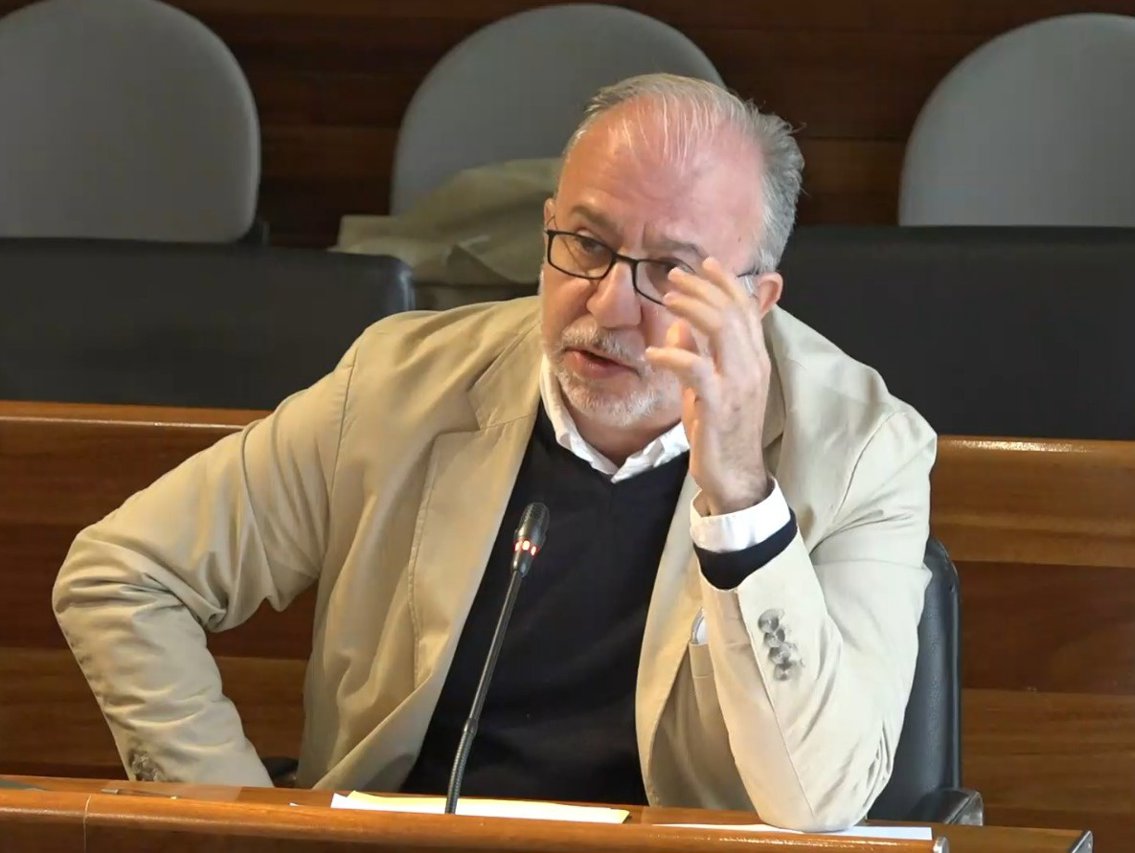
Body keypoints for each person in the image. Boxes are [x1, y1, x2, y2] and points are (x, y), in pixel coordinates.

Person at [52, 74, 936, 831]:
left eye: (670, 271)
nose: (609, 304)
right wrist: (234, 824)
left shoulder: (865, 451)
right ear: (550, 228)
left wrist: (739, 492)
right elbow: (123, 573)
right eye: (586, 244)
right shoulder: (397, 387)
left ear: (756, 301)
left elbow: (820, 800)